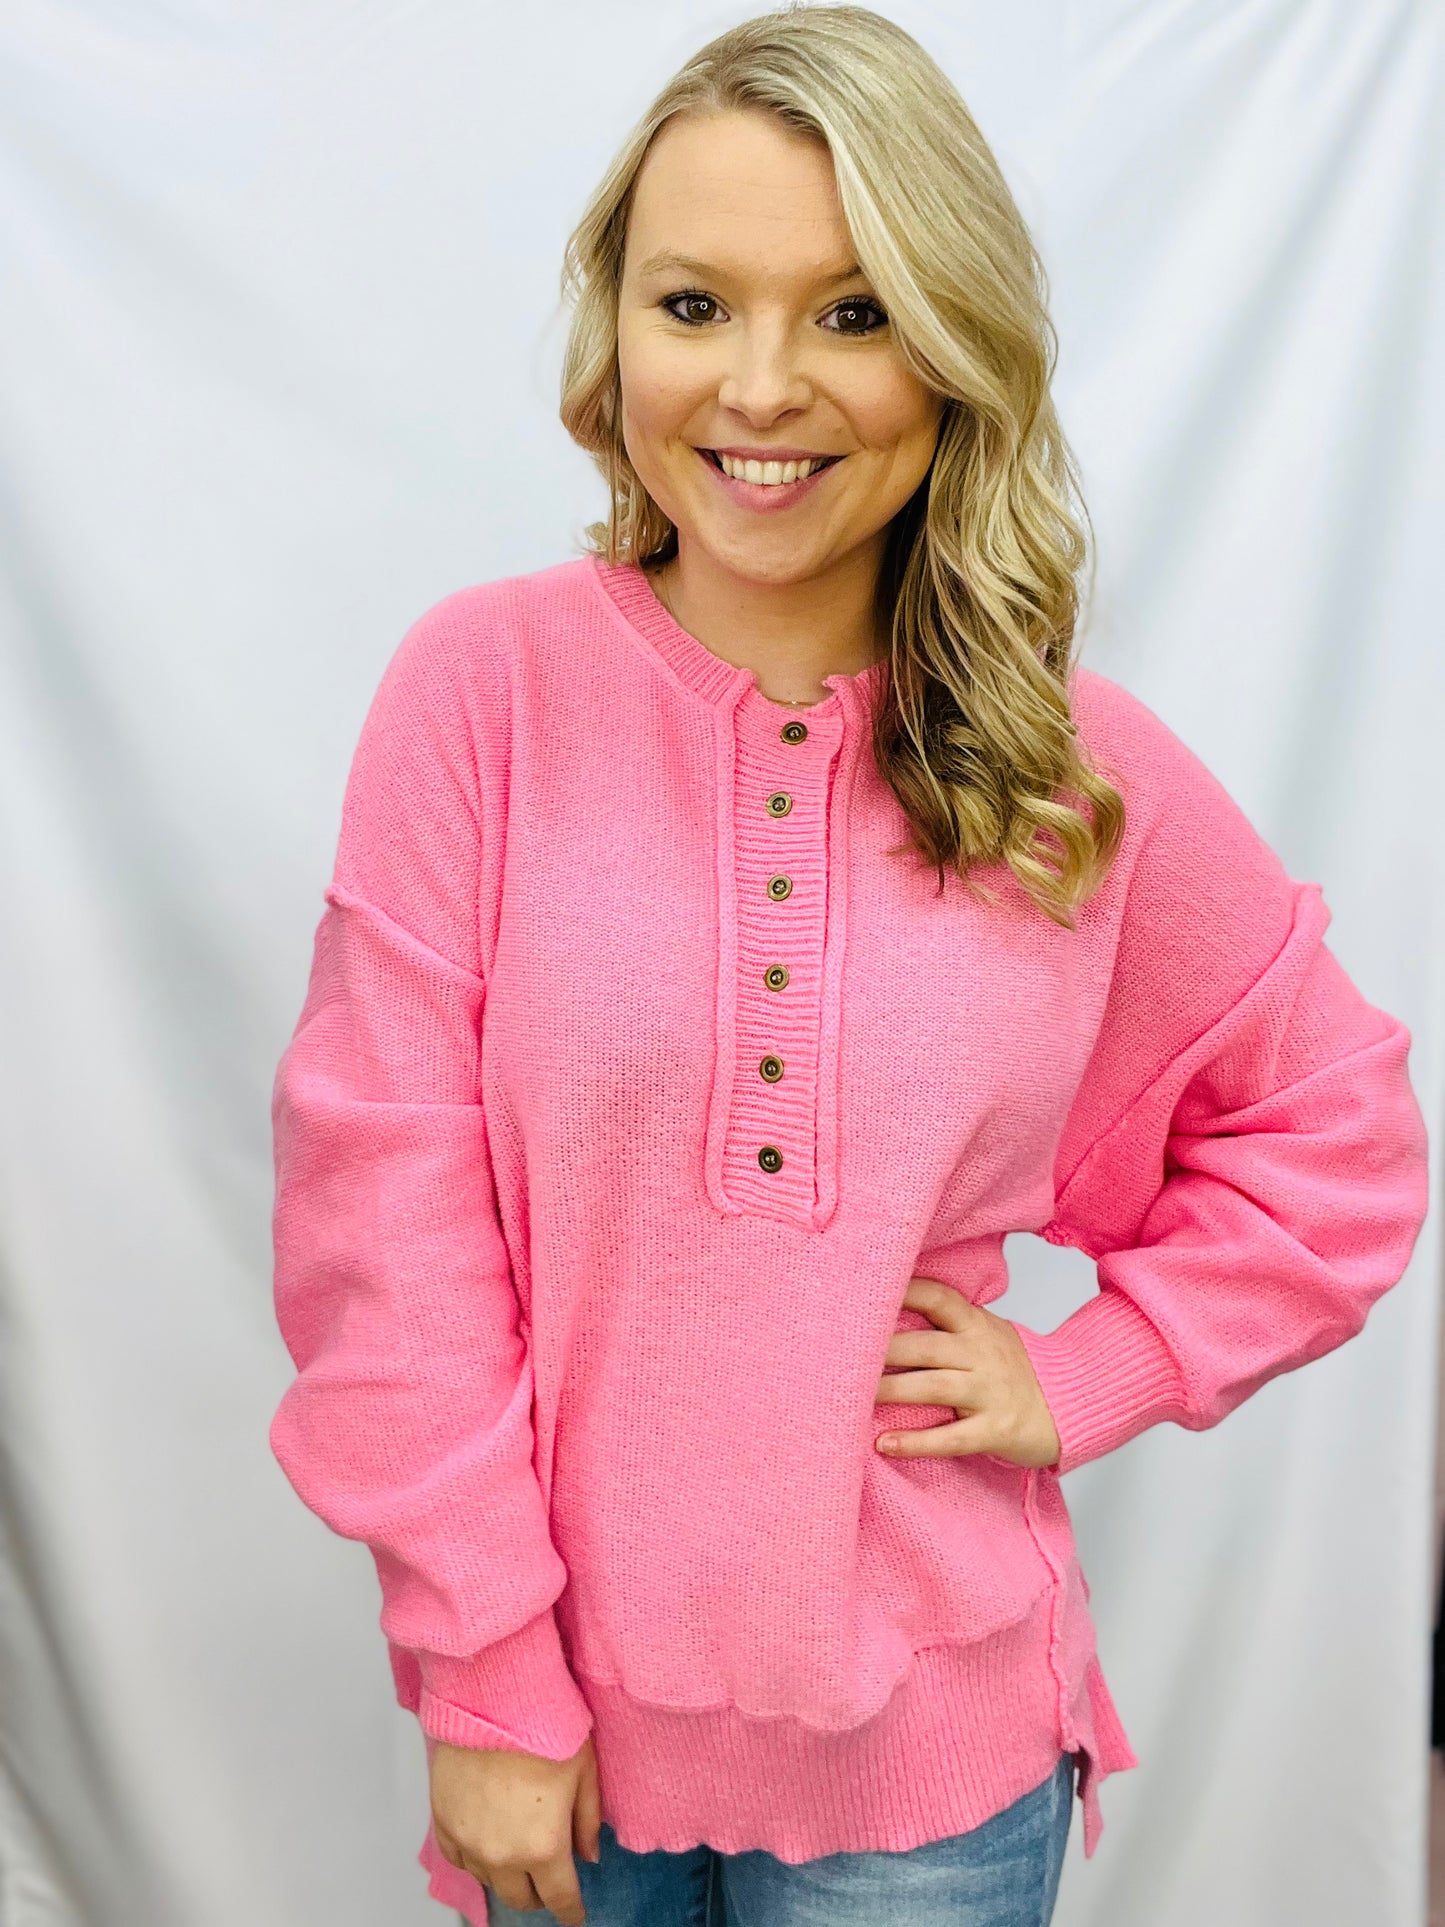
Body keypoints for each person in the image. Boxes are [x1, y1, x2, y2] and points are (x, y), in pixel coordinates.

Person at [266, 8, 1431, 1926]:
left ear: (952, 346)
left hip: (935, 1769)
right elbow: (382, 1226)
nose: (762, 386)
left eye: (854, 312)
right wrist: (480, 1665)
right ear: (613, 331)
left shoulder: (1067, 771)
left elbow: (1336, 1136)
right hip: (556, 1731)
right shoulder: (484, 693)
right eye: (694, 305)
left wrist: (1098, 1367)